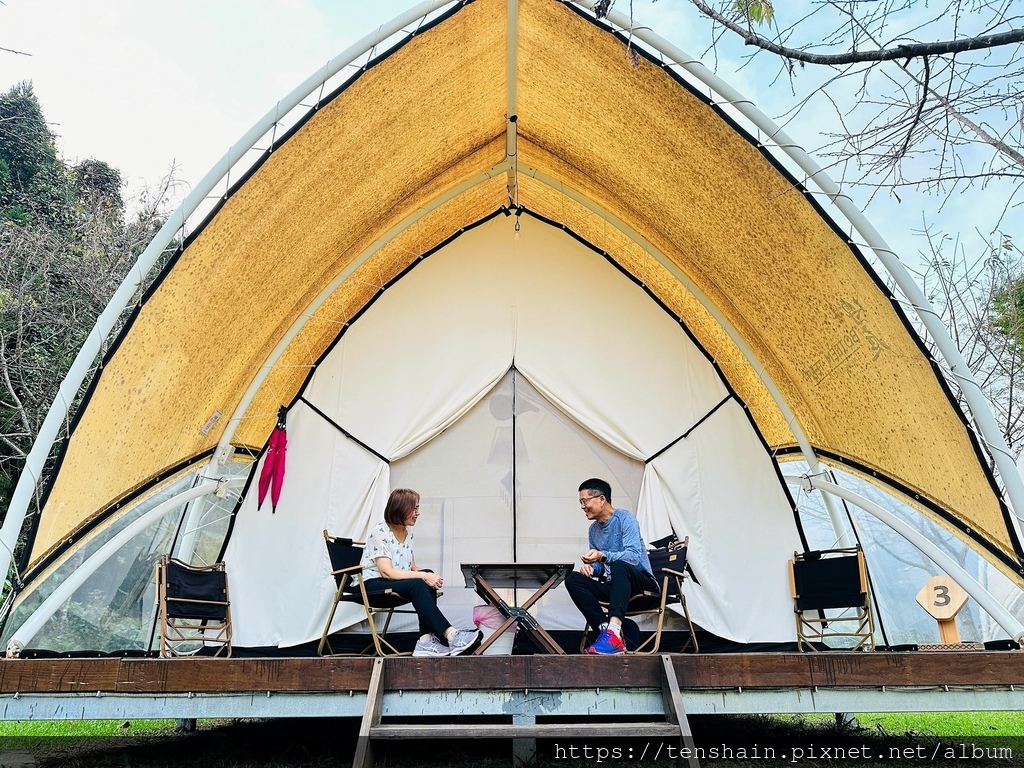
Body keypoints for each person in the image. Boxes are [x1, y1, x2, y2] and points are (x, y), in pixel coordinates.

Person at [361, 488, 482, 657]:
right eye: (415, 508)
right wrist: (424, 576)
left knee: (425, 576)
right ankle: (451, 635)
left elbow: (412, 568)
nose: (418, 513)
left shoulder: (407, 533)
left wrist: (430, 576)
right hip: (372, 586)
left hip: (392, 583)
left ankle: (425, 641)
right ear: (401, 508)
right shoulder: (379, 532)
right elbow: (387, 572)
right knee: (420, 580)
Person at [564, 478, 658, 655]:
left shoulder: (625, 518)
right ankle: (604, 630)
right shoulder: (593, 530)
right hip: (616, 586)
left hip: (642, 584)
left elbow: (633, 556)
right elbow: (603, 567)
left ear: (601, 499)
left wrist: (603, 555)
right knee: (573, 578)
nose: (582, 506)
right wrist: (593, 568)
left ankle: (614, 630)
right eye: (580, 502)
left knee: (620, 565)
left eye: (585, 501)